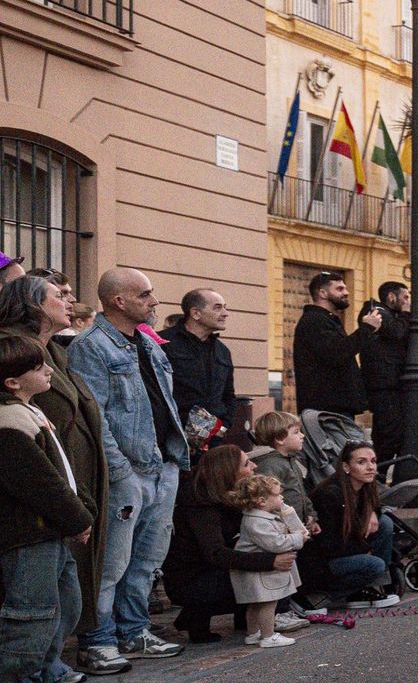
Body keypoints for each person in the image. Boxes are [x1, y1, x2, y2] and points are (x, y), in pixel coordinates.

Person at [69, 267, 188, 671]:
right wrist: (119, 471)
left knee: (147, 559)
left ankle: (134, 631)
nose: (154, 301)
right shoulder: (91, 346)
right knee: (112, 561)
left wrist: (173, 460)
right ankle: (97, 639)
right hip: (127, 470)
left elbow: (163, 404)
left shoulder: (149, 345)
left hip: (161, 464)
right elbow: (95, 417)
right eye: (146, 295)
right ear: (120, 300)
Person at [0, 275, 108, 664]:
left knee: (66, 600)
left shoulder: (56, 353)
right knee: (32, 612)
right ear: (31, 305)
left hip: (70, 491)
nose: (71, 300)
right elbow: (29, 467)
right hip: (37, 514)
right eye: (59, 295)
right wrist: (73, 511)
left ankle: (49, 668)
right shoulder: (12, 353)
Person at [162, 445, 298, 645]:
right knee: (267, 572)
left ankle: (246, 623)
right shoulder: (200, 506)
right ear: (227, 472)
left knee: (274, 556)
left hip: (210, 573)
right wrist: (270, 561)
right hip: (192, 581)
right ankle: (198, 616)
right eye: (246, 463)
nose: (253, 466)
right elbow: (215, 554)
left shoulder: (229, 497)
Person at [301, 442, 397, 608]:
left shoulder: (364, 487)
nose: (370, 467)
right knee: (375, 564)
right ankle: (321, 597)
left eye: (373, 461)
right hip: (324, 561)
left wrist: (373, 512)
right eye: (361, 462)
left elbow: (375, 506)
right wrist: (364, 550)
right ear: (346, 467)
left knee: (385, 523)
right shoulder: (330, 494)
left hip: (347, 548)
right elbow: (328, 546)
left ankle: (367, 587)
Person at [229, 474, 308, 649]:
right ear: (262, 501)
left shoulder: (259, 517)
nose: (282, 497)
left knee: (255, 604)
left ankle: (253, 633)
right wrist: (297, 538)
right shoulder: (258, 522)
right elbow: (275, 543)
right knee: (268, 603)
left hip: (258, 572)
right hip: (262, 573)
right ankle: (268, 635)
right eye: (278, 495)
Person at [291, 272, 381, 419]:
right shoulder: (314, 321)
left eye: (345, 288)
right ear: (323, 293)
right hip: (327, 409)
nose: (346, 292)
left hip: (335, 407)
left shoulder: (327, 320)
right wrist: (367, 328)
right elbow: (338, 352)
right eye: (339, 289)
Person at [159, 288, 237, 452]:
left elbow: (229, 395)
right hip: (171, 442)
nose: (225, 313)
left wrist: (224, 427)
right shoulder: (162, 344)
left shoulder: (222, 351)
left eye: (225, 307)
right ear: (195, 313)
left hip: (213, 443)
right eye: (217, 307)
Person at [361, 281, 410, 465]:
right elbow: (396, 332)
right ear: (391, 296)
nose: (407, 301)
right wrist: (406, 314)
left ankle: (378, 474)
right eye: (404, 297)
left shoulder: (392, 315)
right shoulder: (376, 312)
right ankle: (377, 475)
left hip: (390, 384)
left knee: (390, 435)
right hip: (383, 385)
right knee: (388, 436)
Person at [253, 411, 320, 539]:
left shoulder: (291, 462)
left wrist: (311, 516)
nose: (302, 436)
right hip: (282, 533)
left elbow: (301, 493)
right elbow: (268, 501)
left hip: (297, 529)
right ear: (279, 438)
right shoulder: (270, 465)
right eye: (296, 432)